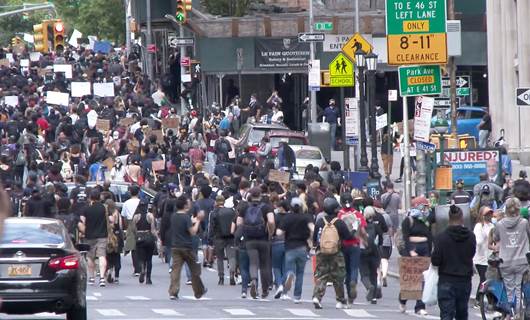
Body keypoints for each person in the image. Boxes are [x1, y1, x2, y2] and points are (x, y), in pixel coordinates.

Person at [431, 205, 476, 320]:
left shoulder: (441, 238)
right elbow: (472, 253)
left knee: (446, 313)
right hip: (464, 279)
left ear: (449, 219)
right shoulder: (471, 236)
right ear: (462, 219)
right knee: (462, 312)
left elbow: (436, 261)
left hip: (446, 279)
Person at [312, 197, 353, 309]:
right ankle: (340, 300)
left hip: (321, 251)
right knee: (338, 276)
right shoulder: (339, 222)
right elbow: (348, 237)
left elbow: (315, 237)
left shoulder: (320, 221)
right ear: (335, 210)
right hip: (336, 252)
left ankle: (317, 296)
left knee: (321, 275)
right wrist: (354, 229)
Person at [235, 187, 275, 299]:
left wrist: (246, 229)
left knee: (253, 263)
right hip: (263, 239)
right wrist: (270, 232)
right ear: (260, 195)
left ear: (250, 196)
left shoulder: (244, 207)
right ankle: (265, 290)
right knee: (264, 265)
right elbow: (271, 221)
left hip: (249, 239)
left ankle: (253, 281)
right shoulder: (266, 207)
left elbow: (239, 223)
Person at [492, 197, 530, 313]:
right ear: (518, 209)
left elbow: (495, 238)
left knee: (510, 290)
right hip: (521, 260)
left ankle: (510, 312)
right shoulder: (524, 223)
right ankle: (518, 313)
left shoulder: (499, 224)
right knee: (518, 289)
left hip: (505, 261)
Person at [399, 196, 435, 315]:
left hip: (424, 249)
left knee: (423, 279)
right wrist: (410, 250)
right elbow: (405, 237)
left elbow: (430, 237)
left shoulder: (426, 221)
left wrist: (430, 252)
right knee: (411, 278)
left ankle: (420, 306)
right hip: (412, 249)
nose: (426, 210)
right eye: (424, 207)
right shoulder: (408, 220)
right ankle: (403, 299)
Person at [274, 198, 314, 303]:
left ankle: (284, 284)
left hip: (290, 247)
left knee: (289, 269)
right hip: (303, 247)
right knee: (300, 273)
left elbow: (278, 232)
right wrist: (310, 239)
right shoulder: (306, 217)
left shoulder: (287, 218)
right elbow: (313, 229)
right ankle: (297, 297)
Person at [168, 195, 207, 300]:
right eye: (188, 202)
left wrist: (193, 220)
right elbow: (193, 232)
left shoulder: (174, 216)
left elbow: (185, 224)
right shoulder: (186, 217)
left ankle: (173, 291)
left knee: (176, 270)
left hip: (176, 246)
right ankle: (199, 291)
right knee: (195, 269)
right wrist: (198, 220)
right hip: (187, 247)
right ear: (185, 205)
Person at [337, 193, 366, 305]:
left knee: (345, 269)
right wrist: (366, 241)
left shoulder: (339, 214)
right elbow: (363, 231)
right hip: (355, 244)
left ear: (342, 203)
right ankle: (353, 283)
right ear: (352, 202)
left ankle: (348, 291)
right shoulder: (358, 214)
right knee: (354, 268)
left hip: (343, 244)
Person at [78, 189, 108, 287]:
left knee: (90, 257)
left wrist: (83, 231)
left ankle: (91, 277)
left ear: (90, 197)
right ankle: (102, 278)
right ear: (99, 197)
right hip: (102, 235)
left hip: (89, 235)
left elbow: (82, 221)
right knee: (102, 256)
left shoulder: (86, 209)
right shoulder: (103, 208)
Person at [208, 195, 237, 285]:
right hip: (231, 237)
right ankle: (232, 274)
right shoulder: (231, 211)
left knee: (220, 258)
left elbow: (211, 227)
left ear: (216, 202)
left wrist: (210, 238)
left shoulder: (213, 213)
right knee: (231, 257)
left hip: (218, 237)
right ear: (224, 202)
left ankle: (221, 277)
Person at [360, 206, 383, 304]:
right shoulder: (376, 226)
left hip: (363, 251)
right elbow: (381, 239)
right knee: (374, 273)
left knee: (364, 274)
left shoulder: (361, 225)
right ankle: (373, 298)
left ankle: (369, 287)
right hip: (374, 251)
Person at [131, 199, 157, 285]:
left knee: (141, 257)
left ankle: (142, 268)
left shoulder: (136, 217)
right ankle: (148, 278)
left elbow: (134, 229)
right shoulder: (150, 216)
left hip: (140, 237)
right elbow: (153, 229)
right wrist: (157, 238)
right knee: (149, 259)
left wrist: (137, 235)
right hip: (149, 237)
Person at [472, 206, 494, 306]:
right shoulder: (478, 226)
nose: (489, 216)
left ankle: (490, 301)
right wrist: (485, 236)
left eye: (490, 214)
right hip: (480, 258)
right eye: (487, 214)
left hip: (489, 257)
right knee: (484, 279)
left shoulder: (492, 226)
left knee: (489, 280)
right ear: (482, 215)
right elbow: (478, 241)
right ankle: (478, 299)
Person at [122, 185, 142, 276]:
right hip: (141, 223)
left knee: (133, 246)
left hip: (130, 223)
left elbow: (124, 216)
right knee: (141, 245)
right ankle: (142, 266)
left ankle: (137, 269)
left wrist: (127, 227)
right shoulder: (141, 202)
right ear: (138, 192)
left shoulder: (126, 203)